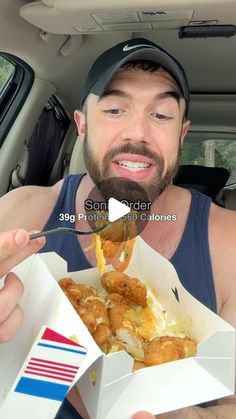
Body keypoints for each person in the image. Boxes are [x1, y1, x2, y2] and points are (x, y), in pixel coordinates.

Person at [0, 37, 236, 418]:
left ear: (181, 134)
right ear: (82, 124)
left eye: (161, 115)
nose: (137, 134)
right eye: (114, 109)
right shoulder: (20, 214)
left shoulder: (229, 243)